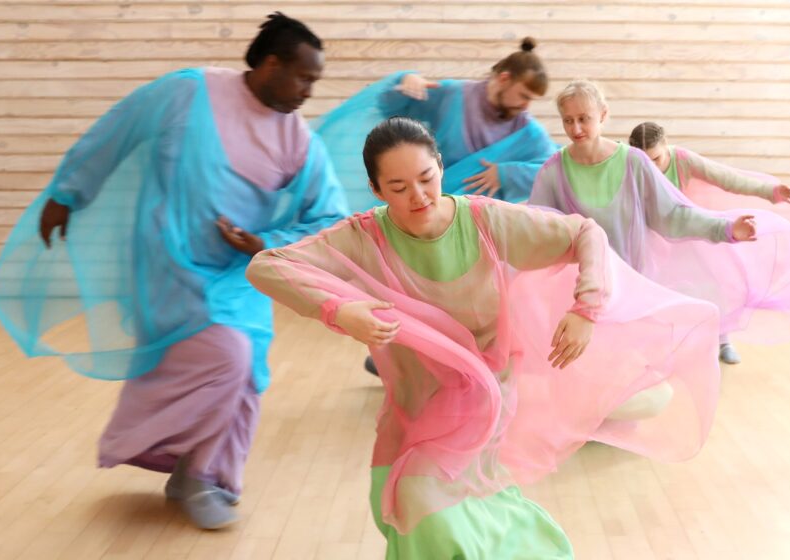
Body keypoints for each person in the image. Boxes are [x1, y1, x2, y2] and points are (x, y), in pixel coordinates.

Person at [246, 116, 724, 558]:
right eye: (397, 186)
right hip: (411, 400)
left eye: (428, 177)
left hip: (485, 395)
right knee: (394, 504)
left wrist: (586, 307)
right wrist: (340, 309)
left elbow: (585, 233)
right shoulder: (364, 237)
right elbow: (268, 264)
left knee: (417, 498)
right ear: (375, 189)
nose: (419, 196)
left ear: (440, 166)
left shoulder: (485, 221)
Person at [0, 13, 348, 529]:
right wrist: (68, 193)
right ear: (271, 64)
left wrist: (263, 242)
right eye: (304, 77)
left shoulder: (297, 139)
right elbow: (118, 129)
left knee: (245, 374)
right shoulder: (188, 92)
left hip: (238, 274)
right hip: (168, 265)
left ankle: (203, 477)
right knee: (226, 356)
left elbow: (329, 216)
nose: (308, 92)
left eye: (314, 82)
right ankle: (165, 455)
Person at [530, 80, 790, 365]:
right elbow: (535, 228)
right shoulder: (554, 171)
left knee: (628, 369)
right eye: (568, 120)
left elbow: (672, 215)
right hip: (584, 291)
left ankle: (721, 337)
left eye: (584, 119)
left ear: (603, 115)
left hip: (632, 285)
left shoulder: (633, 162)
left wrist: (726, 229)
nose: (576, 129)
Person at [313, 37, 559, 213]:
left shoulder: (527, 131)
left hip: (481, 226)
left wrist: (507, 174)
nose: (526, 106)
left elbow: (557, 168)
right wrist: (406, 80)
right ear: (505, 79)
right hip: (425, 209)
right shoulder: (453, 95)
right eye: (524, 95)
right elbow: (390, 105)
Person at [628, 120, 790, 236]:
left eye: (656, 159)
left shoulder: (682, 160)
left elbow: (727, 179)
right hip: (645, 233)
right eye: (645, 160)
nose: (650, 166)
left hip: (681, 227)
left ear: (665, 145)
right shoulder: (629, 163)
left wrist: (769, 191)